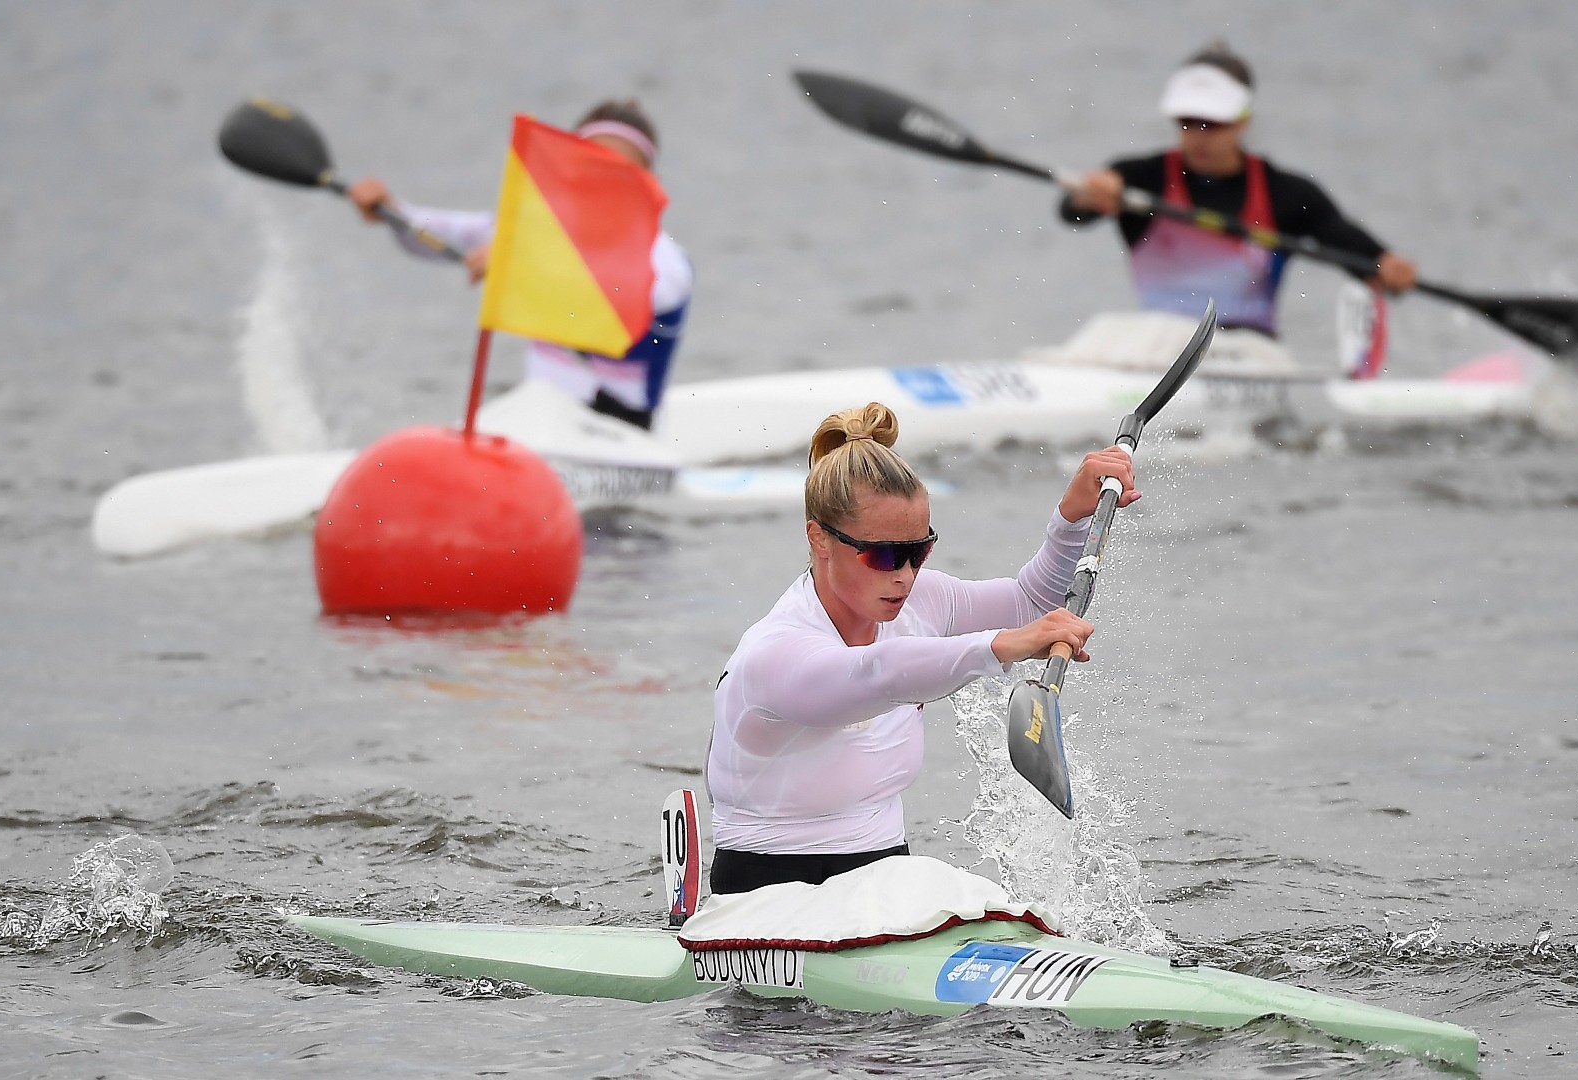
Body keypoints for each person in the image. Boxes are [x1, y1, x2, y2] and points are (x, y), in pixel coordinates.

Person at [705, 403, 1136, 895]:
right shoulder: (772, 652)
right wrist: (1001, 646)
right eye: (885, 553)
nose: (905, 575)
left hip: (886, 881)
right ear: (818, 538)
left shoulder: (921, 600)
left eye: (919, 551)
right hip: (764, 896)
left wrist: (1072, 518)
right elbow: (874, 675)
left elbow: (1031, 602)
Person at [346, 100, 693, 430]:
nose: (603, 180)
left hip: (621, 432)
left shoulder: (664, 260)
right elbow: (437, 236)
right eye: (592, 164)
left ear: (648, 185)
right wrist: (391, 211)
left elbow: (628, 293)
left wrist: (523, 262)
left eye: (620, 171)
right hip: (541, 423)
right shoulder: (538, 235)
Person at [1062, 42, 1418, 338]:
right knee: (1103, 331)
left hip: (1248, 353)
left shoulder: (1288, 195)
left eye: (1212, 123)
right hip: (1154, 343)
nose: (1199, 135)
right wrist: (1088, 194)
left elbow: (1354, 252)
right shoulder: (1139, 178)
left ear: (1244, 119)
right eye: (1187, 121)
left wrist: (1387, 266)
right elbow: (1071, 212)